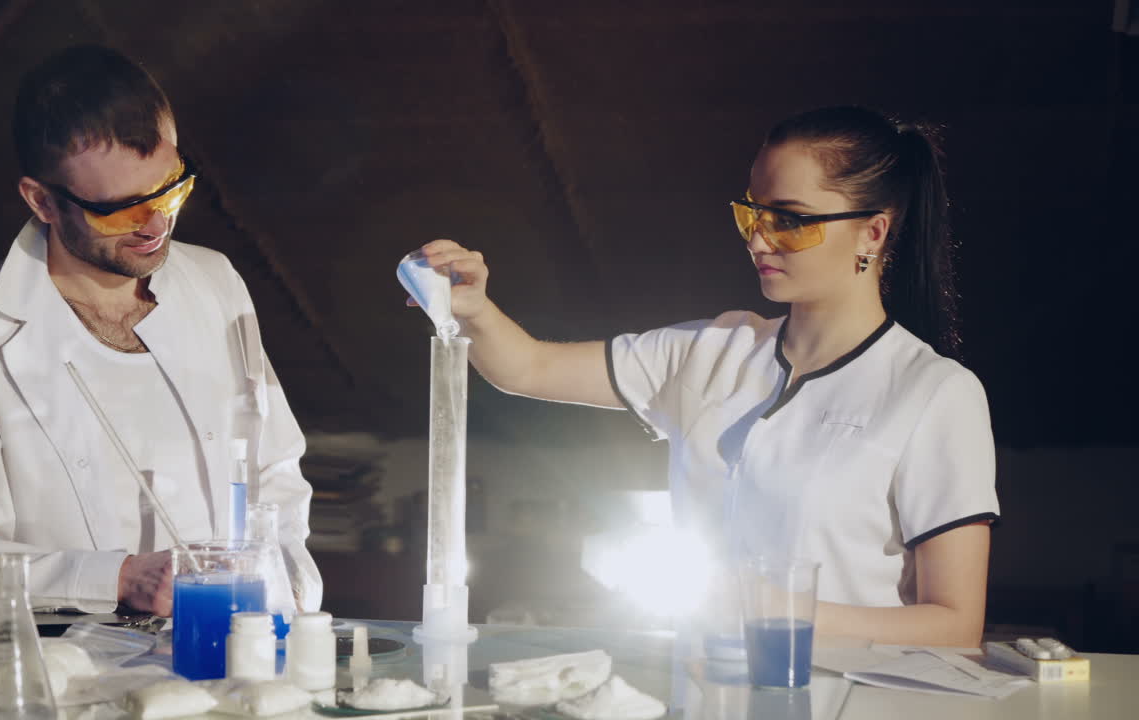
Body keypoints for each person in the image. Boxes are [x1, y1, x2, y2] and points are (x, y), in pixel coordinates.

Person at [417, 106, 999, 647]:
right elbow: (527, 366)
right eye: (754, 212)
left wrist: (777, 609)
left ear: (873, 232)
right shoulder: (711, 350)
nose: (759, 239)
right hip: (705, 689)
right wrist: (475, 309)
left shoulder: (935, 393)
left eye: (792, 220)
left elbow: (955, 625)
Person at [0, 45, 322, 616]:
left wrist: (285, 585)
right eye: (119, 210)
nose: (155, 225)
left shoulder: (216, 283)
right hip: (64, 682)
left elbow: (276, 476)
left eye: (170, 190)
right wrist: (116, 579)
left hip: (229, 661)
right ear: (42, 200)